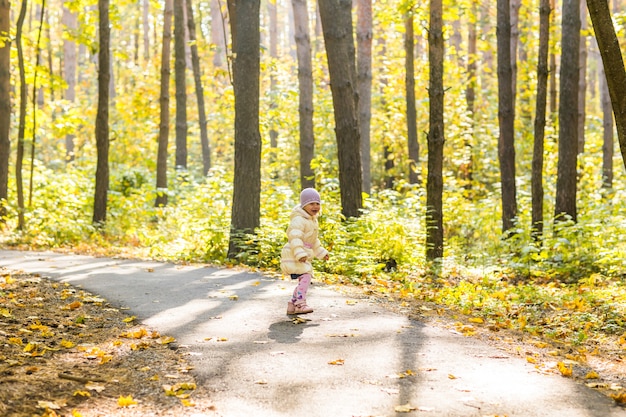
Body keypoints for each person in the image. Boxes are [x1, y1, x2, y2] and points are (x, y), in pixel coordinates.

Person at [280, 188, 330, 315]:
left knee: (305, 277)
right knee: (306, 277)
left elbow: (314, 241)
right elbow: (294, 237)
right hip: (294, 252)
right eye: (311, 203)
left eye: (317, 203)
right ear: (304, 205)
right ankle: (300, 303)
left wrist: (322, 253)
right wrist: (299, 253)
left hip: (303, 252)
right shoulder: (299, 219)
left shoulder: (312, 220)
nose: (315, 206)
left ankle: (292, 304)